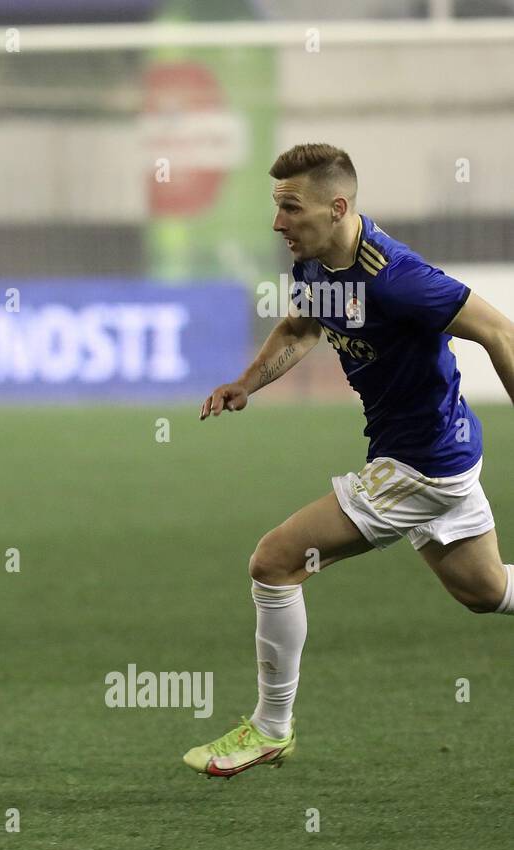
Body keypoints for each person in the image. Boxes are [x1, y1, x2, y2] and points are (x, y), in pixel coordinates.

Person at [187, 143, 514, 777]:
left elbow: (499, 331)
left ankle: (268, 729)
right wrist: (246, 384)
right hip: (432, 452)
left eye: (290, 208)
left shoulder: (396, 276)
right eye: (276, 207)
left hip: (421, 464)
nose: (278, 223)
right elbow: (302, 328)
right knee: (485, 591)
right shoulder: (313, 262)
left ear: (337, 208)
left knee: (275, 562)